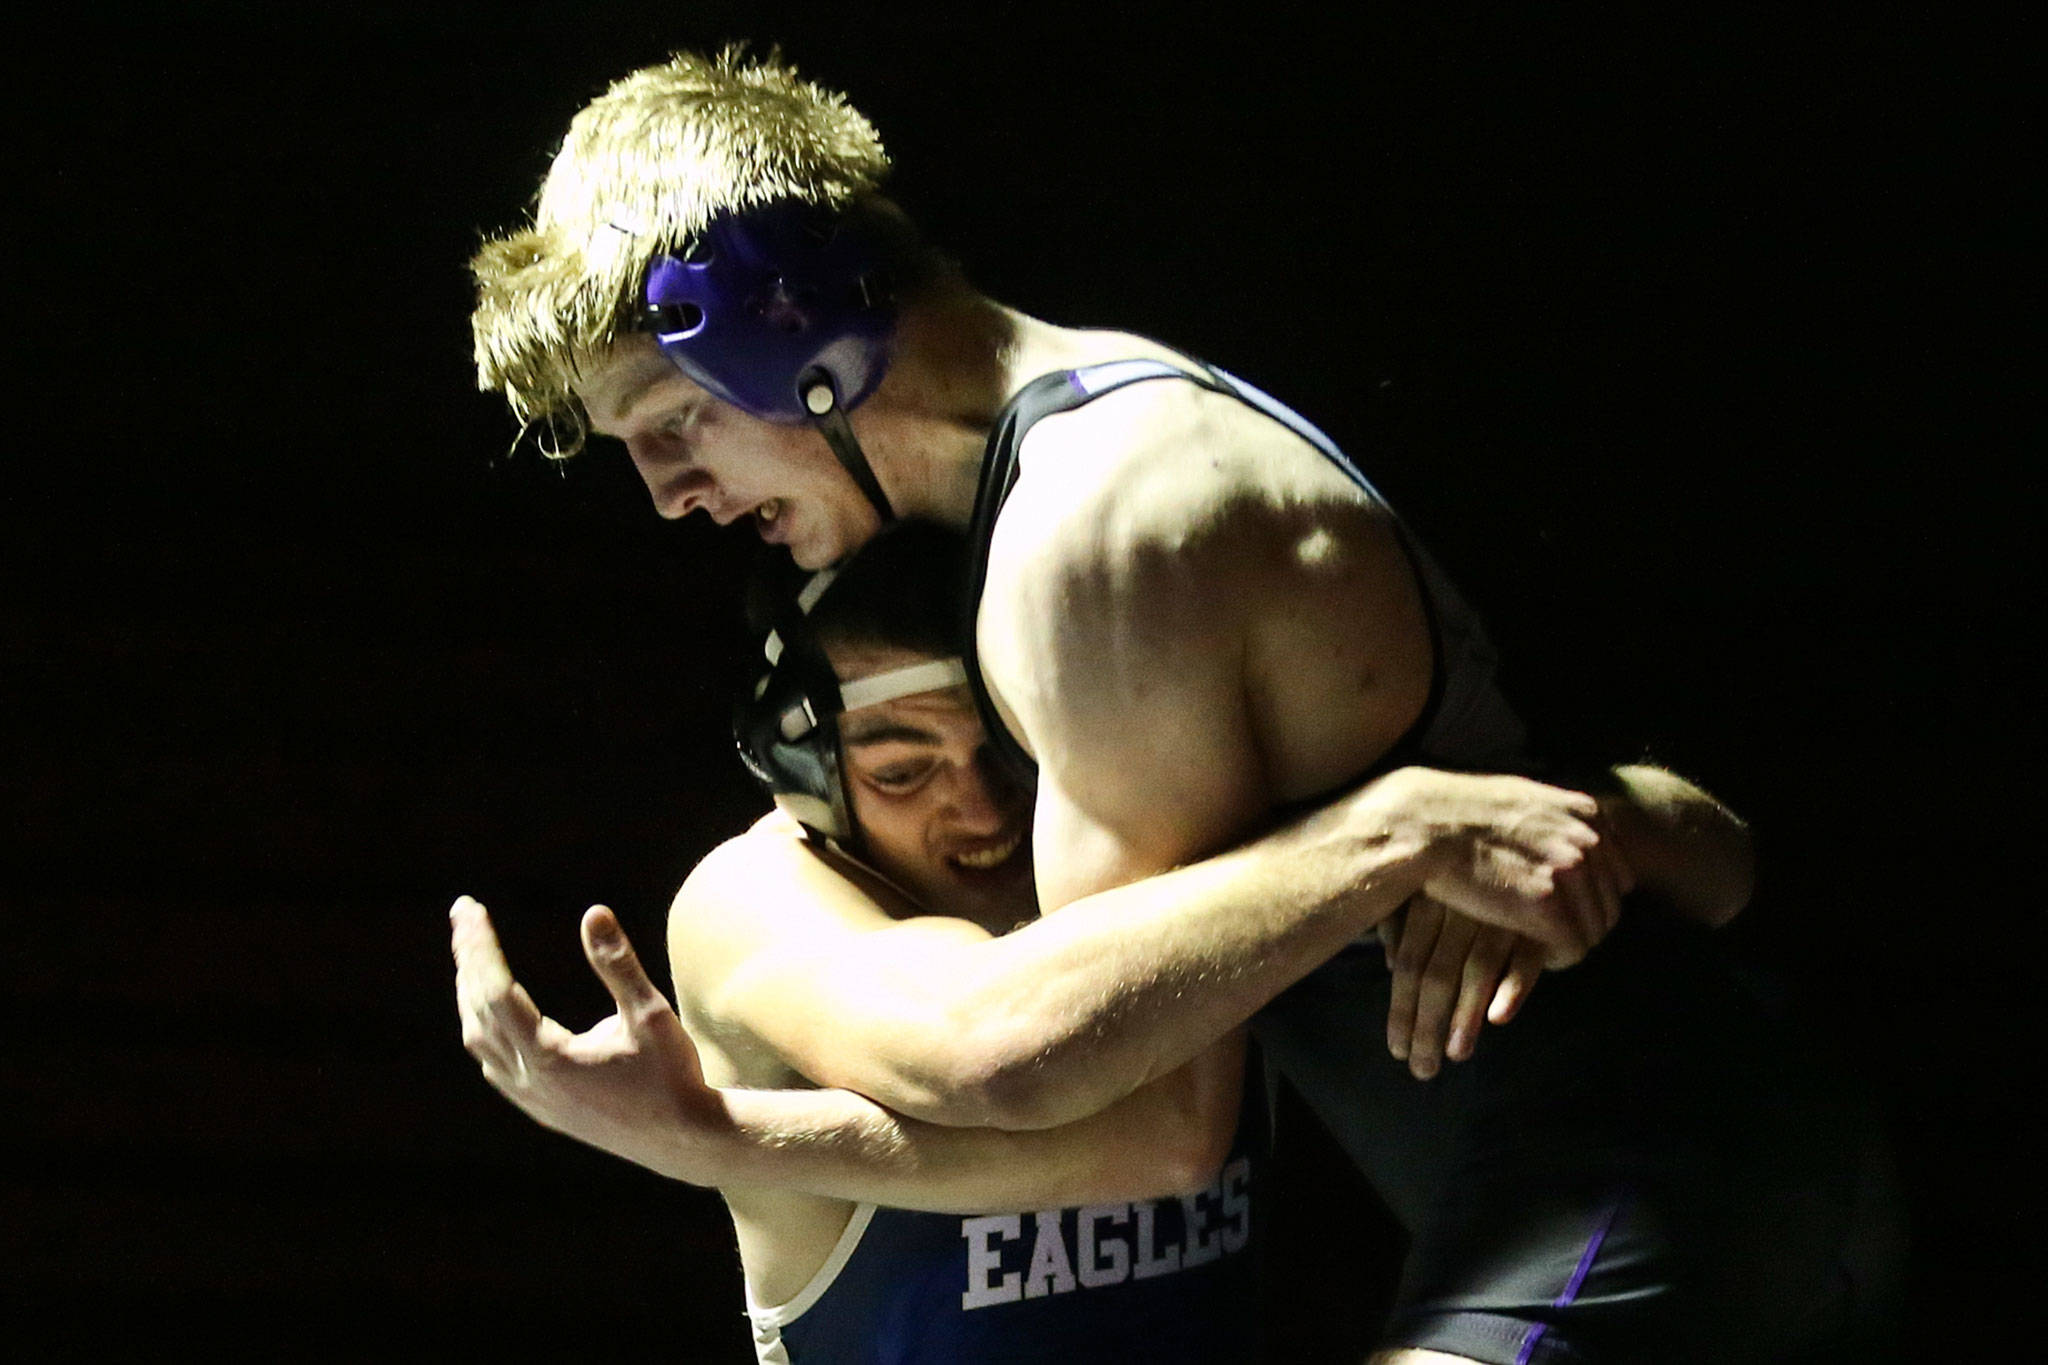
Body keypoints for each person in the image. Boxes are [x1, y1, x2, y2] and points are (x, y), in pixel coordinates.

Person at [462, 49, 1898, 1362]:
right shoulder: (1118, 430)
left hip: (1630, 1178)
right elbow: (1647, 828)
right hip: (1679, 1160)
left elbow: (1141, 1122)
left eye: (672, 426)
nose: (671, 497)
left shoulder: (1093, 526)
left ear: (786, 326)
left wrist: (709, 1133)